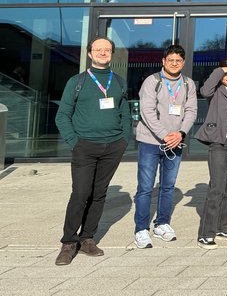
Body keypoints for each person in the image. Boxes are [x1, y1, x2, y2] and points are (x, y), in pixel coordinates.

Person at [54, 36, 131, 266]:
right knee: (80, 194)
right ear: (90, 54)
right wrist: (74, 141)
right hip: (84, 147)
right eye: (98, 49)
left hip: (113, 147)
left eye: (107, 49)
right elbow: (62, 115)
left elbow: (124, 112)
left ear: (112, 53)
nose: (103, 52)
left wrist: (124, 139)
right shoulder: (76, 81)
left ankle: (87, 238)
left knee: (99, 194)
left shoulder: (118, 81)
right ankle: (68, 242)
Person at [133, 44, 198, 249]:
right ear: (163, 61)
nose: (174, 63)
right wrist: (164, 135)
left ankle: (162, 223)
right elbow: (147, 111)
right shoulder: (152, 81)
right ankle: (141, 229)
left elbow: (192, 111)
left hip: (175, 142)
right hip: (151, 142)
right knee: (145, 187)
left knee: (168, 186)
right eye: (170, 60)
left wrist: (180, 134)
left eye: (178, 60)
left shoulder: (188, 84)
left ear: (183, 62)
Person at [195, 59, 227, 249]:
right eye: (226, 72)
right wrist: (222, 70)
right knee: (217, 187)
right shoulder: (215, 92)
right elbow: (204, 89)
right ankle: (206, 234)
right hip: (219, 143)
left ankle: (223, 227)